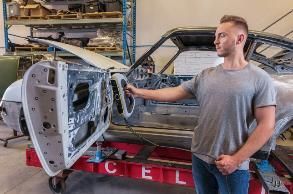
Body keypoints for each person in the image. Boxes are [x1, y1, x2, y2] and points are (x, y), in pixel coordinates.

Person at [125, 15, 276, 194]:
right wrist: (139, 91)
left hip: (230, 164)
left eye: (222, 35)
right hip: (200, 158)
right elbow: (174, 92)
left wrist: (236, 160)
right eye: (215, 36)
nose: (215, 41)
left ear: (240, 38)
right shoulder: (206, 75)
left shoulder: (259, 79)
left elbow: (266, 125)